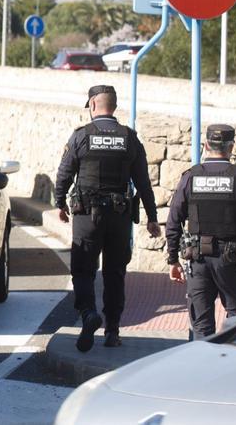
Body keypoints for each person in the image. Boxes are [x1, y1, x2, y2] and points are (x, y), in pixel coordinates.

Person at [55, 85, 161, 352]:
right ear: (113, 106)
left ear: (93, 104)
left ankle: (89, 313)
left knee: (83, 270)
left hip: (86, 217)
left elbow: (64, 173)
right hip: (119, 216)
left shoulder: (81, 136)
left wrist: (59, 203)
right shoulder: (129, 137)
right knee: (115, 274)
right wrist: (152, 217)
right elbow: (143, 182)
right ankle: (112, 331)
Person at [166, 124, 236, 339]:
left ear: (205, 145)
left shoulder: (190, 177)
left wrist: (172, 259)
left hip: (198, 260)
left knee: (201, 326)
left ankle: (201, 370)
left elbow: (174, 219)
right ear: (231, 147)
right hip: (231, 260)